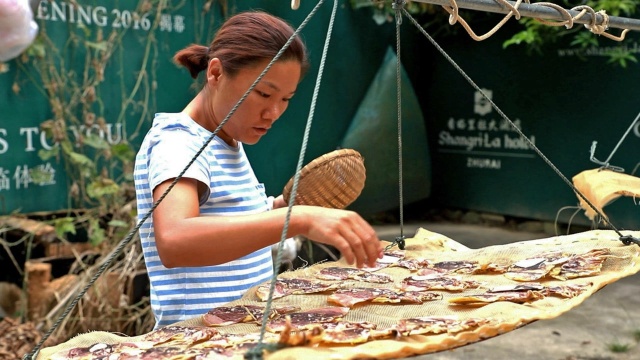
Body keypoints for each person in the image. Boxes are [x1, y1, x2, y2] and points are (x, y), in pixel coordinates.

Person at [133, 11, 384, 329]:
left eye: (286, 99)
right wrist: (298, 219)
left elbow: (229, 220)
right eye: (264, 94)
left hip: (240, 335)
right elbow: (175, 239)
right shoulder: (179, 142)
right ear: (215, 73)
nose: (274, 111)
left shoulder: (226, 140)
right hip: (195, 343)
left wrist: (278, 208)